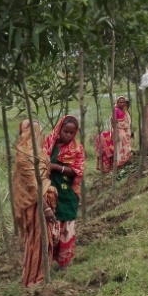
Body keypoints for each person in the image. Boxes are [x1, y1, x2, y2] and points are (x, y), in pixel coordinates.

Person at [12, 119, 58, 287]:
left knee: (40, 240)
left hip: (41, 201)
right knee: (36, 241)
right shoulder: (25, 155)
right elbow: (34, 185)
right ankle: (35, 279)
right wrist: (46, 208)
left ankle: (40, 274)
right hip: (35, 205)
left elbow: (43, 174)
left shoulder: (38, 152)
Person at [44, 114, 86, 270]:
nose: (67, 135)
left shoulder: (77, 149)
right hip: (50, 193)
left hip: (68, 194)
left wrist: (56, 167)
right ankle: (49, 261)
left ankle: (65, 262)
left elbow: (77, 171)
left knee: (66, 227)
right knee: (51, 227)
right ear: (59, 129)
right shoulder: (49, 144)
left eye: (71, 133)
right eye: (65, 131)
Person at [95, 95, 133, 173]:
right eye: (120, 102)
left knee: (125, 147)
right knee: (120, 148)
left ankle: (122, 163)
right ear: (117, 103)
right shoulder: (115, 110)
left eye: (123, 102)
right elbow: (114, 123)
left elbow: (127, 123)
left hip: (123, 132)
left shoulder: (124, 111)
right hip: (119, 131)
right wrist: (115, 134)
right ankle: (119, 164)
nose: (122, 103)